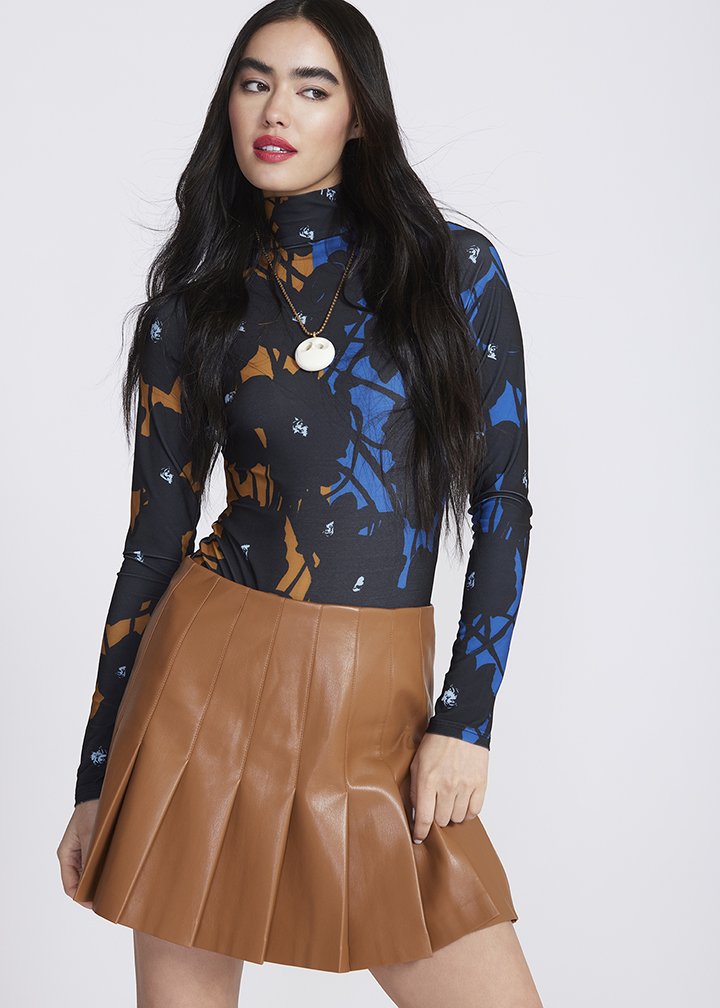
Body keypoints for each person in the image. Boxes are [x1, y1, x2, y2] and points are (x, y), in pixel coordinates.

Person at [56, 2, 542, 1006]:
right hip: (202, 691)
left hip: (380, 705)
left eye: (312, 88)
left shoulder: (451, 272)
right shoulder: (191, 309)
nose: (276, 109)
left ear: (358, 117)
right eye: (255, 82)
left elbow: (503, 500)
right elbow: (152, 547)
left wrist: (467, 720)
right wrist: (97, 780)